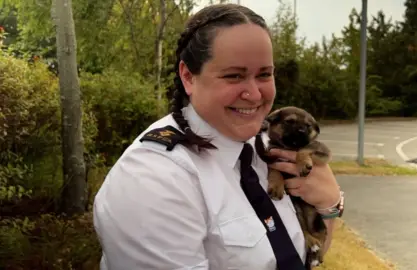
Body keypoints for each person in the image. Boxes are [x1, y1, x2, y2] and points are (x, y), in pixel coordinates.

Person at [93, 3, 344, 270]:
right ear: (188, 76)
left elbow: (309, 258)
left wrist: (328, 206)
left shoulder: (261, 150)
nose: (255, 94)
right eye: (234, 76)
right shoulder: (152, 182)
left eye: (264, 74)